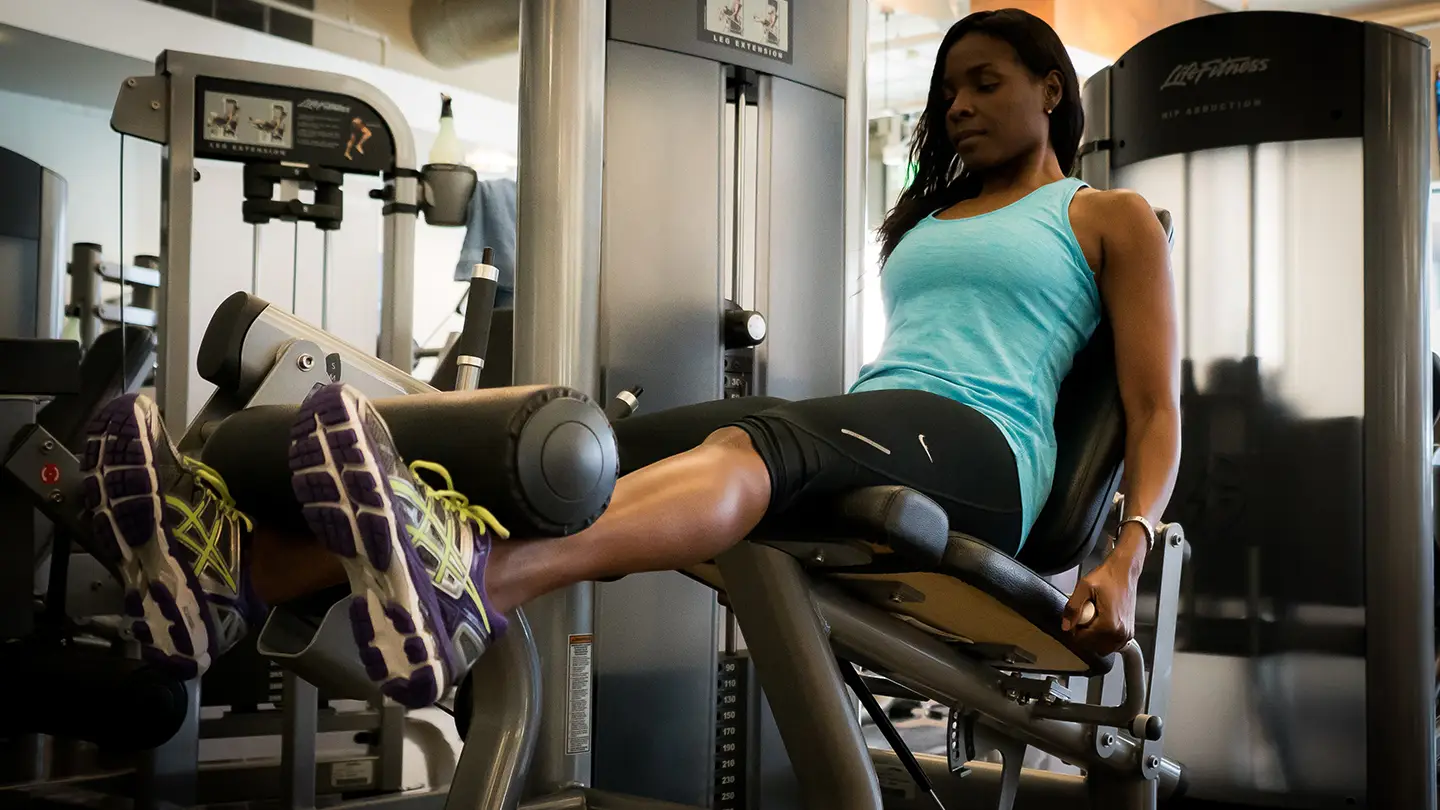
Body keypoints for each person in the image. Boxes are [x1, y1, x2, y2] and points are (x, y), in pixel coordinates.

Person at [81, 8, 1179, 709]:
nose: (962, 105)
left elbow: (1150, 406)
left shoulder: (1107, 215)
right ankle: (238, 570)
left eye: (985, 81)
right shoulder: (932, 223)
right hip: (884, 420)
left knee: (770, 438)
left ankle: (483, 585)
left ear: (1050, 87)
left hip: (987, 461)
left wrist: (1124, 554)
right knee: (577, 448)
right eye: (951, 91)